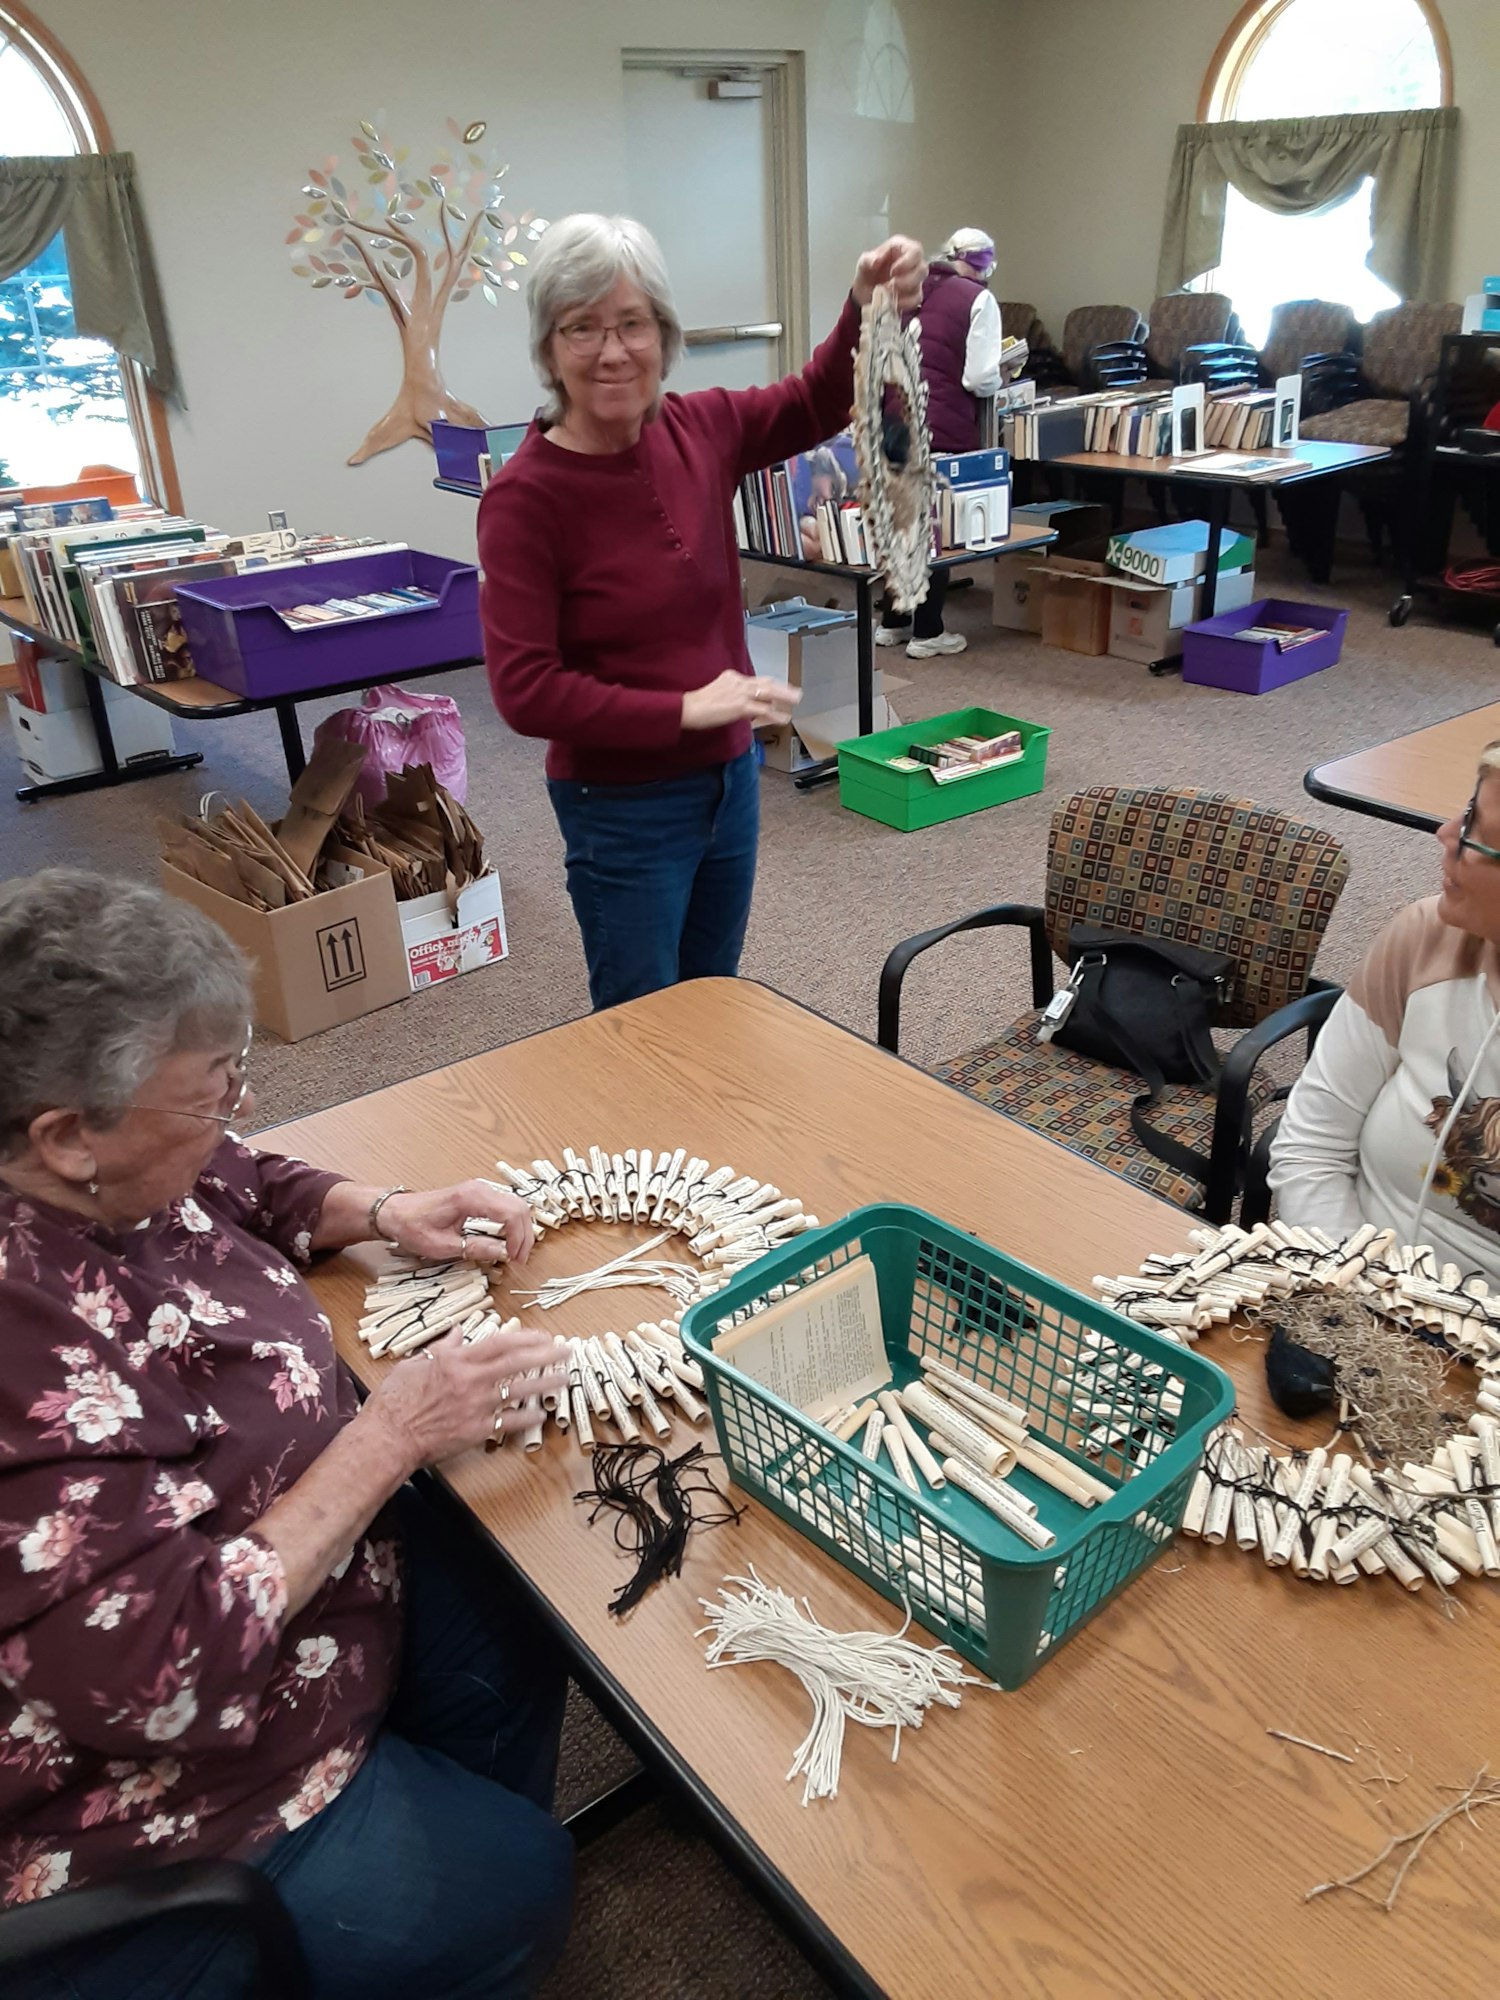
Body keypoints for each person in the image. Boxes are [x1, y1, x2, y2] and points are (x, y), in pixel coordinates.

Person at [0, 871, 573, 2000]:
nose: (231, 1110)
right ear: (68, 1136)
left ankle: (426, 1786)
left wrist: (379, 1207)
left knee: (521, 1601)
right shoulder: (26, 1341)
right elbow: (159, 1679)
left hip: (301, 1582)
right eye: (212, 1089)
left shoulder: (104, 1159)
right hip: (143, 1761)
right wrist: (389, 1431)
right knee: (514, 1882)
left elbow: (235, 1174)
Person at [480, 212, 926, 1013]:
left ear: (664, 334)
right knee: (641, 1023)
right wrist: (684, 708)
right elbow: (525, 691)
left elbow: (817, 398)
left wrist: (865, 303)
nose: (612, 351)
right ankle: (640, 1146)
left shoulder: (701, 427)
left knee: (711, 1003)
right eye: (582, 328)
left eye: (632, 324)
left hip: (729, 782)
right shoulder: (525, 499)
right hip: (621, 806)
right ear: (550, 349)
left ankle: (698, 1142)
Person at [1270, 746, 1500, 1280]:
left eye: (1472, 832)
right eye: (1467, 810)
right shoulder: (1426, 938)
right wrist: (1361, 1305)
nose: (1445, 834)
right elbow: (1311, 1148)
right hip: (1349, 1291)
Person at [877, 226, 1004, 661]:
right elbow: (979, 378)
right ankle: (927, 632)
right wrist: (1007, 373)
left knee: (901, 523)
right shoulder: (978, 299)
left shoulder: (908, 290)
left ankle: (892, 623)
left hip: (893, 418)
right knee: (937, 529)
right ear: (984, 262)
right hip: (941, 424)